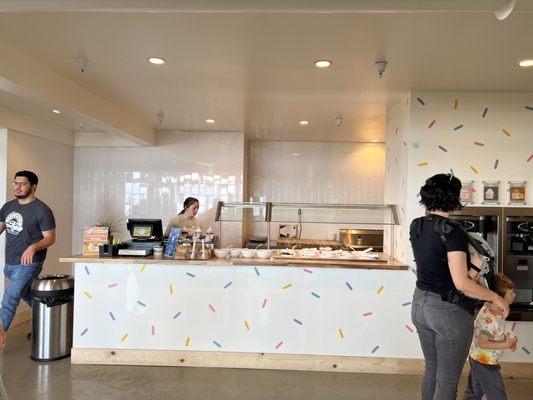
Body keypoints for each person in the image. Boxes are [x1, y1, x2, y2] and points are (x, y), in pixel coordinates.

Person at [410, 173, 509, 400]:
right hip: (447, 312)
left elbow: (434, 267)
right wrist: (495, 297)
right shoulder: (452, 232)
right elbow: (462, 284)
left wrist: (472, 267)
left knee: (432, 368)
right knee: (447, 379)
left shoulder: (417, 225)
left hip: (420, 304)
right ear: (453, 197)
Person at [0, 171, 55, 349]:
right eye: (15, 183)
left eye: (22, 184)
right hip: (10, 263)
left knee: (10, 297)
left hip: (29, 263)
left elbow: (50, 238)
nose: (17, 187)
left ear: (33, 187)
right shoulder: (8, 207)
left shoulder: (42, 210)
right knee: (30, 296)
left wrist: (33, 247)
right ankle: (50, 322)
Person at [463, 273, 517, 400]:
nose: (514, 295)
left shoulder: (495, 311)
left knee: (474, 393)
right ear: (500, 298)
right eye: (511, 293)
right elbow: (482, 343)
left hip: (478, 358)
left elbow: (492, 334)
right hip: (485, 363)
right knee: (497, 395)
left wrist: (506, 341)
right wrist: (506, 344)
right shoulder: (489, 318)